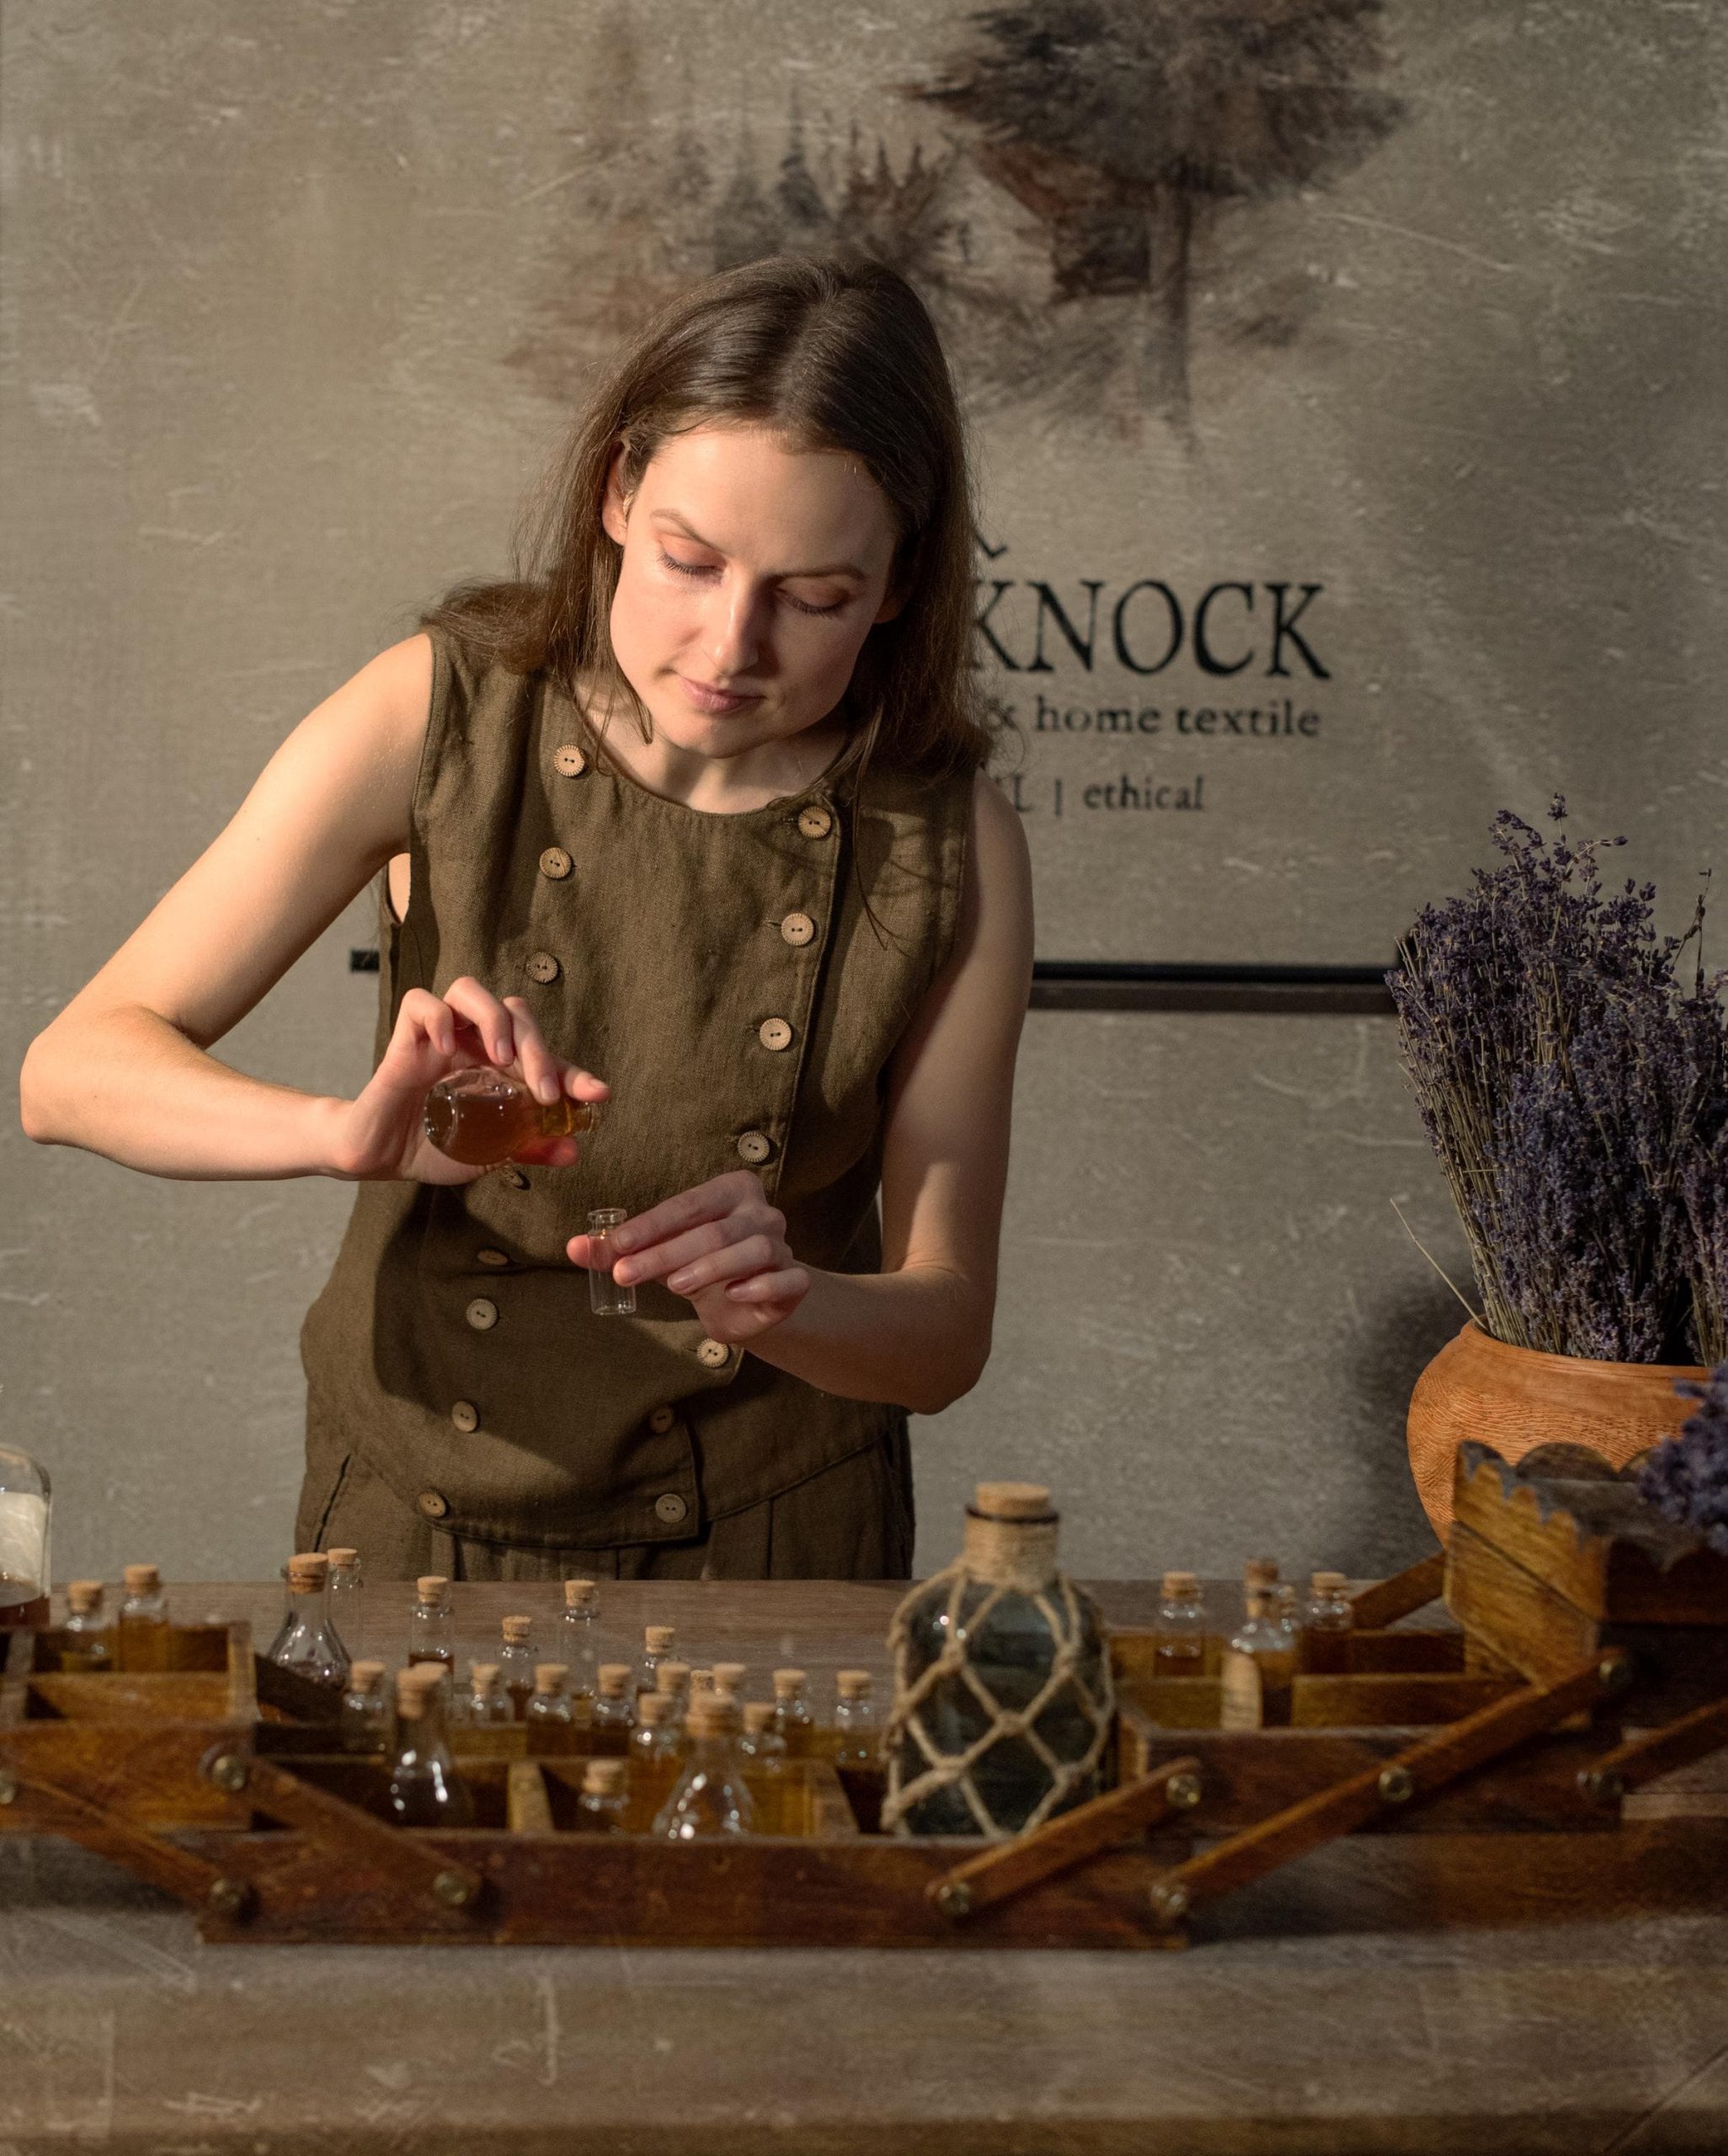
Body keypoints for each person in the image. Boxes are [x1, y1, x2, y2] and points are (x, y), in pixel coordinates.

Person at [19, 253, 1033, 1582]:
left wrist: (787, 1302)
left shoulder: (951, 838)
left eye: (815, 597)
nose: (732, 646)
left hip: (778, 1542)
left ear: (898, 584)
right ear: (617, 494)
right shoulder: (437, 712)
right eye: (687, 561)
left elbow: (945, 1336)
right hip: (410, 1523)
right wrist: (347, 1137)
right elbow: (69, 1072)